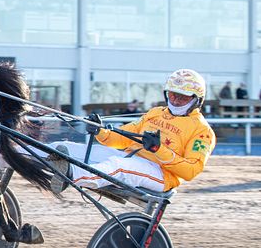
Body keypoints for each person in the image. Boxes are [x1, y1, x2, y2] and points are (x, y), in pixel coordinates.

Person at [48, 69, 216, 193]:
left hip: (161, 175)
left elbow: (191, 171)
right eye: (173, 95)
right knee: (64, 148)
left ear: (197, 99)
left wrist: (159, 150)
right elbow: (123, 137)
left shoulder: (202, 130)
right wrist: (100, 131)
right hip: (131, 158)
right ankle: (25, 154)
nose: (177, 100)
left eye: (183, 97)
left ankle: (71, 174)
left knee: (119, 166)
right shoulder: (155, 113)